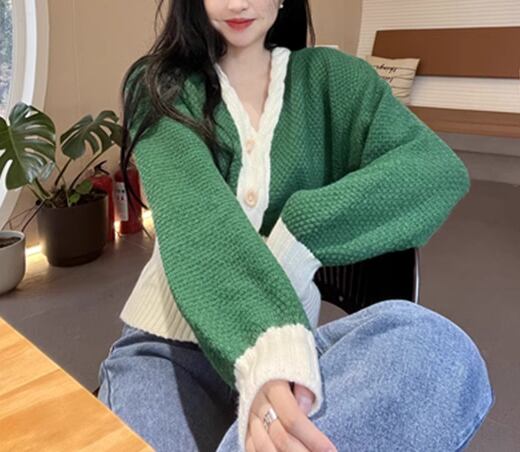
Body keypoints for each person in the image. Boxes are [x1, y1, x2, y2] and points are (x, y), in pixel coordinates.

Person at [97, 1, 495, 451]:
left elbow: (434, 170)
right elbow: (196, 215)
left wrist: (300, 234)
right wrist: (266, 350)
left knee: (439, 348)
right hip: (171, 351)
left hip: (294, 352)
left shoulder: (332, 80)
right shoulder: (159, 85)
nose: (237, 3)